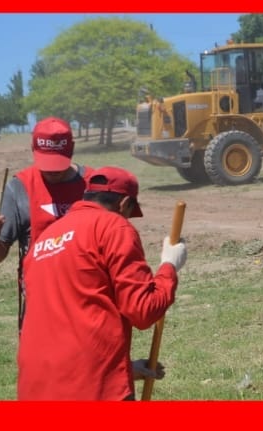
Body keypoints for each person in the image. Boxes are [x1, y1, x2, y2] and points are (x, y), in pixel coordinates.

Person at [16, 167, 186, 400]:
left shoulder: (45, 238)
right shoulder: (113, 227)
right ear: (125, 204)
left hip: (37, 387)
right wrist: (169, 266)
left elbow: (68, 317)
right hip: (92, 390)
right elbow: (143, 310)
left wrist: (124, 367)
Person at [0, 118, 91, 327]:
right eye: (46, 162)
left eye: (59, 162)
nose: (53, 171)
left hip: (87, 299)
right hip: (39, 303)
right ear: (33, 149)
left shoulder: (94, 185)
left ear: (73, 149)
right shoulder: (18, 188)